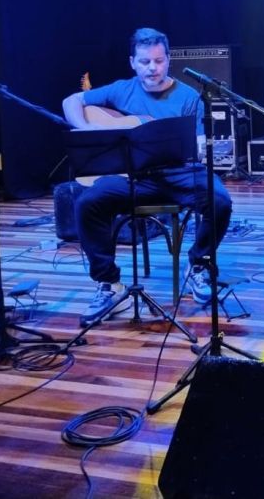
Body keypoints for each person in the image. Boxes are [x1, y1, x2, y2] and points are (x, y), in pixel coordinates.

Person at [62, 27, 233, 325]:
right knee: (88, 202)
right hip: (134, 178)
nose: (152, 68)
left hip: (178, 174)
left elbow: (198, 145)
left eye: (158, 60)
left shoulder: (189, 97)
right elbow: (71, 101)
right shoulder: (121, 89)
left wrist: (201, 150)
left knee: (220, 200)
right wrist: (86, 129)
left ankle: (199, 265)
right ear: (132, 62)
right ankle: (108, 284)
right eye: (144, 62)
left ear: (168, 60)